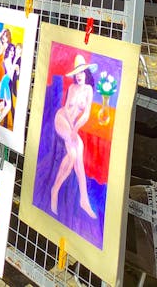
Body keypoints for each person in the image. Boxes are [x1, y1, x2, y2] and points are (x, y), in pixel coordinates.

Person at [50, 54, 98, 219]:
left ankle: (84, 200)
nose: (79, 76)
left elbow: (86, 114)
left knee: (78, 158)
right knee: (72, 153)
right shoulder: (71, 89)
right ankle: (55, 190)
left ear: (86, 73)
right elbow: (66, 109)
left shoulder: (89, 90)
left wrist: (75, 129)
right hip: (62, 119)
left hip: (73, 126)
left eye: (81, 72)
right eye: (76, 73)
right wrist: (71, 128)